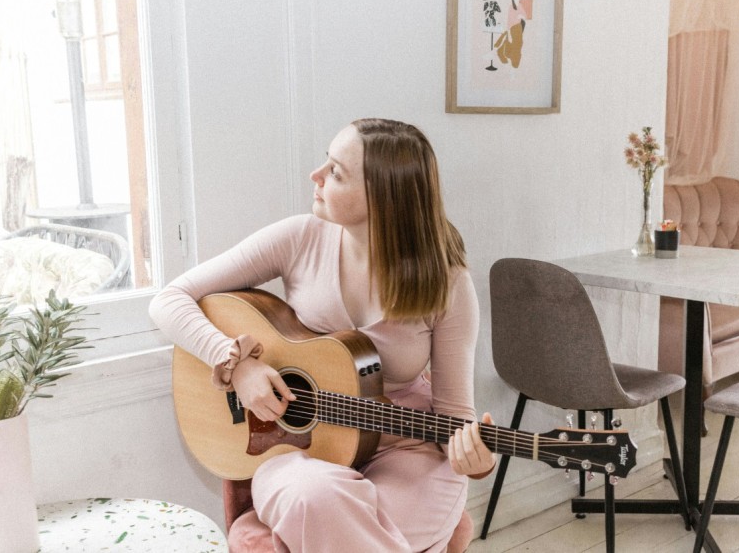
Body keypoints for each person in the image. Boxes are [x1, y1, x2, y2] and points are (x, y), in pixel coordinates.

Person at [149, 118, 495, 552]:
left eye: (335, 172)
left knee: (345, 526)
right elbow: (169, 299)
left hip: (406, 452)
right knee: (317, 498)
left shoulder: (447, 283)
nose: (315, 176)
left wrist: (477, 460)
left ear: (383, 197)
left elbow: (454, 419)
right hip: (300, 458)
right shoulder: (299, 238)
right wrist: (236, 366)